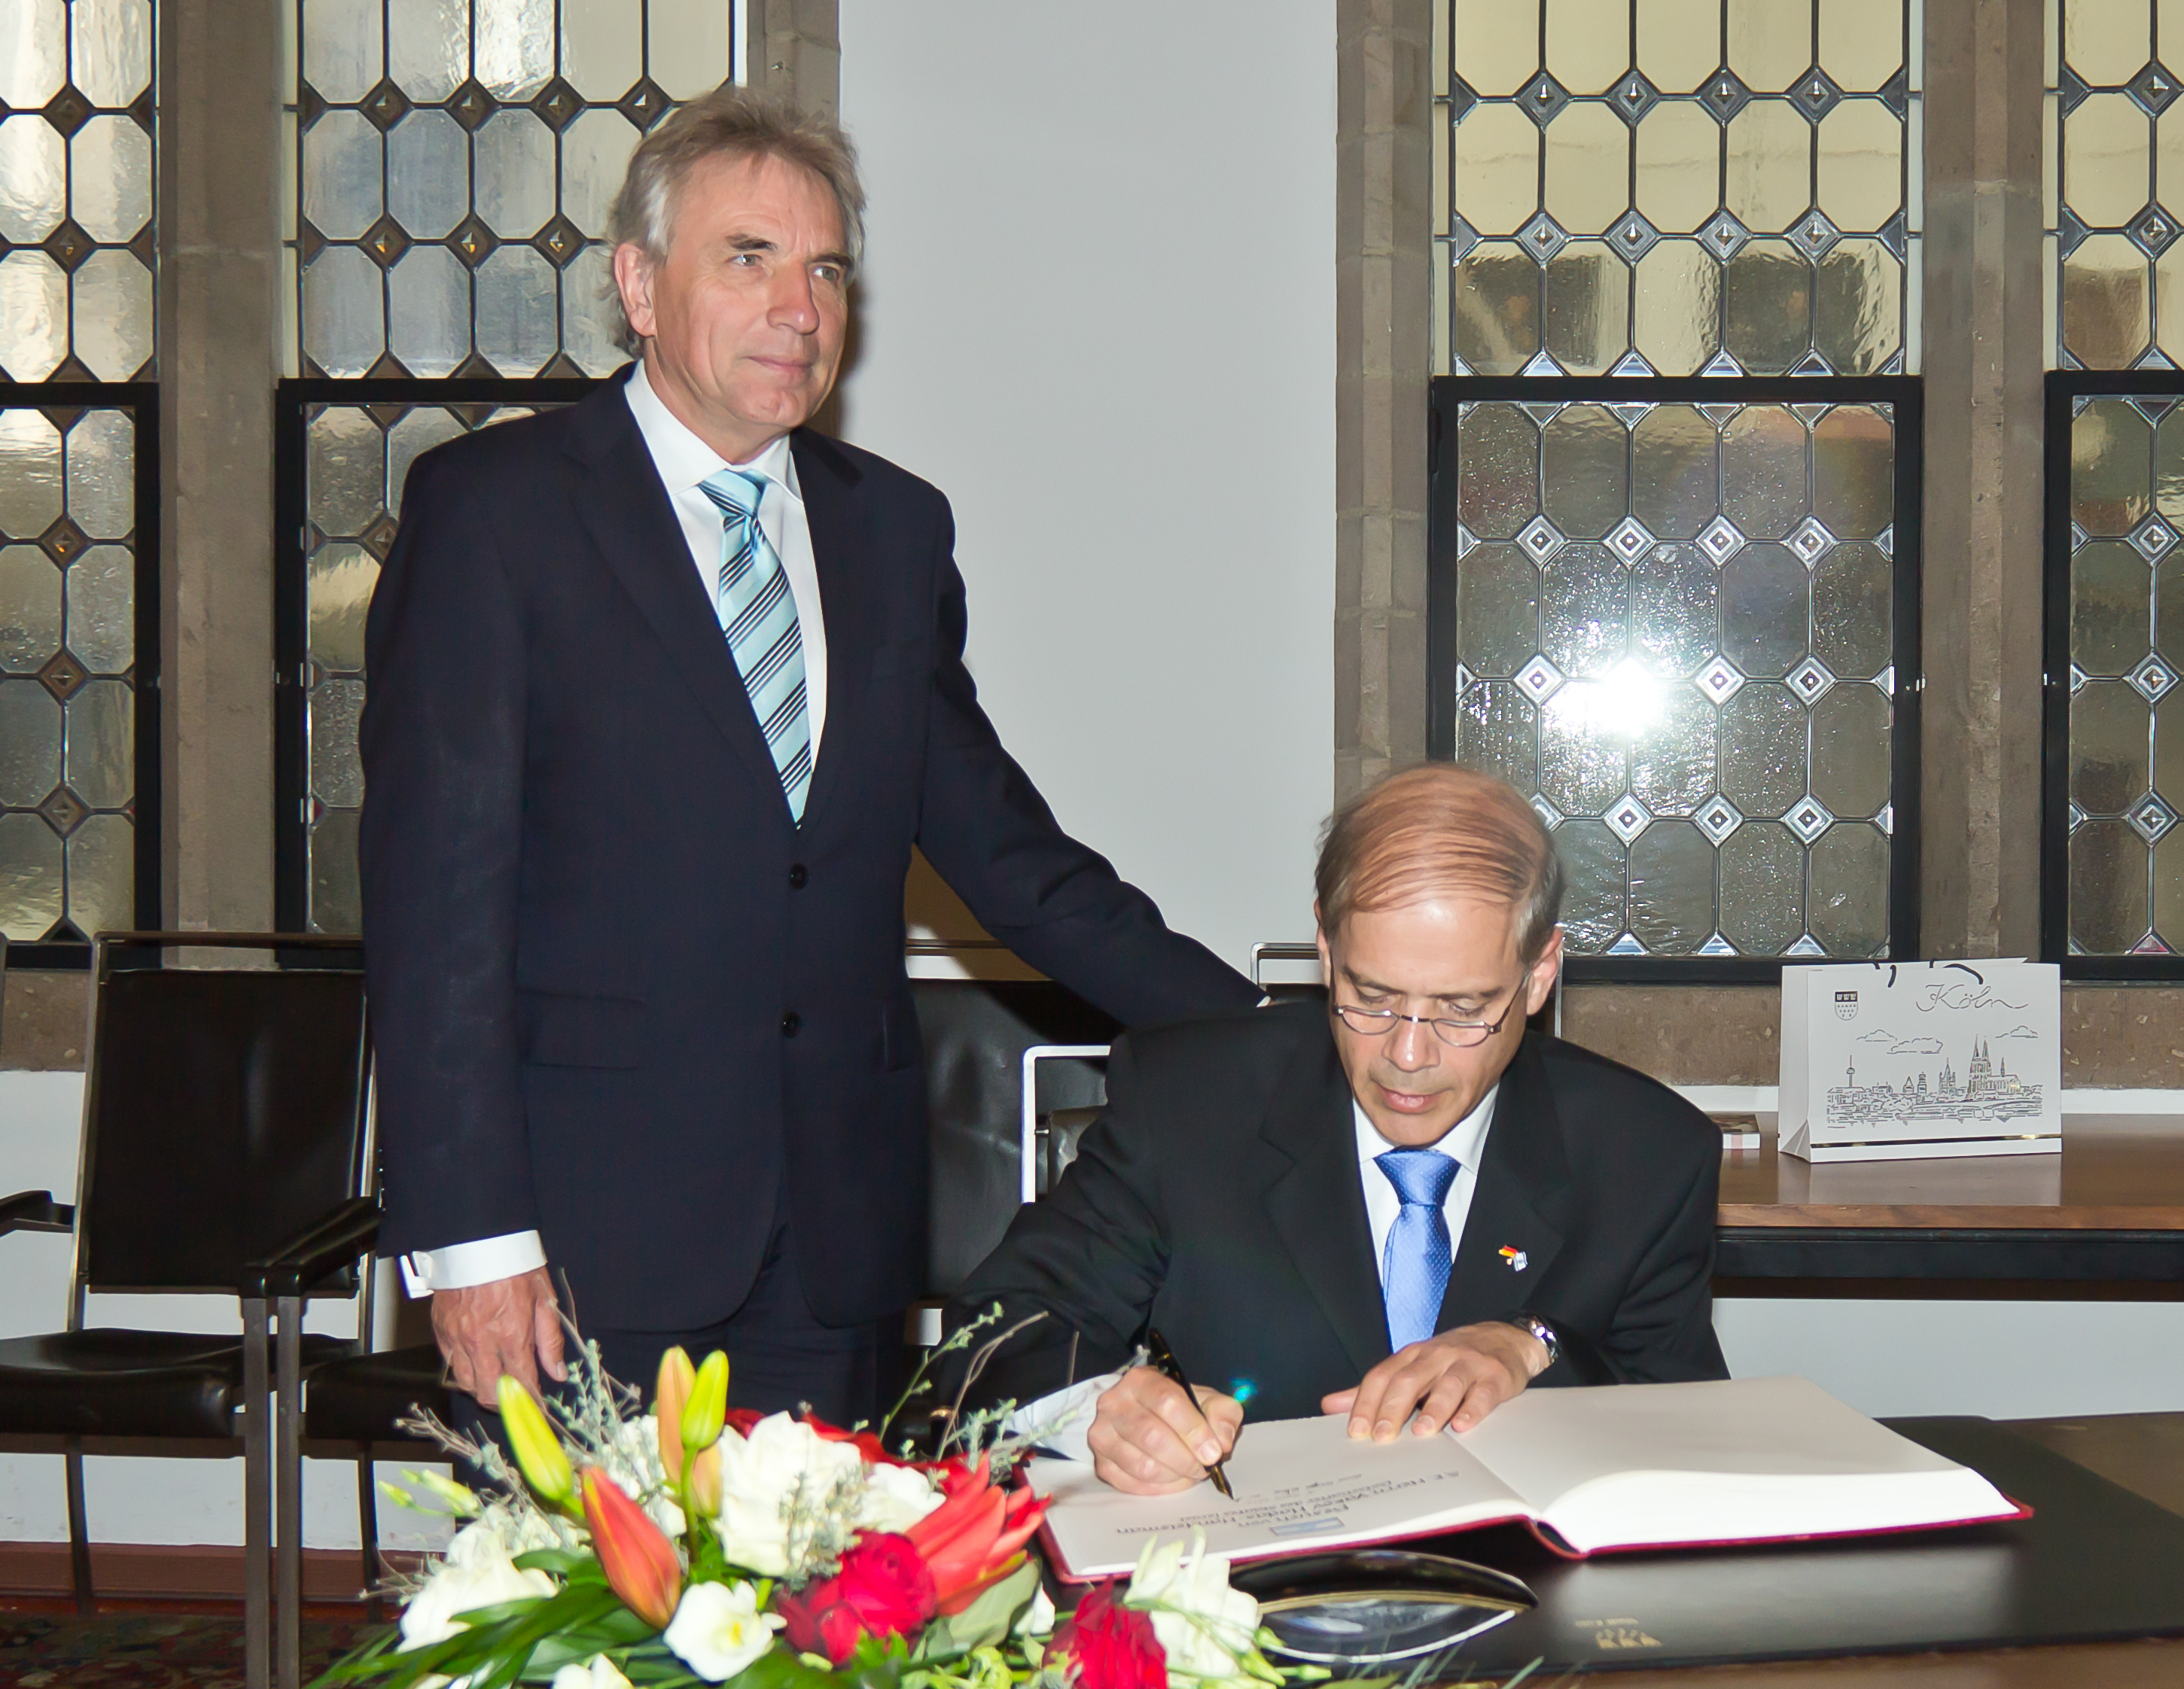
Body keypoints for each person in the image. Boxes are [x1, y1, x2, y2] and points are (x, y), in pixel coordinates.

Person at [361, 88, 1257, 1432]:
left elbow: (1011, 860)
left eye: (827, 269)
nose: (801, 306)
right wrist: (477, 1245)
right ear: (640, 286)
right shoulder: (499, 514)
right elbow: (437, 909)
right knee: (595, 1641)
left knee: (833, 1631)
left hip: (833, 1248)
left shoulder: (890, 531)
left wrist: (1280, 1038)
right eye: (750, 258)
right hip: (582, 1247)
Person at [945, 763, 1729, 1494]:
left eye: (1462, 1008)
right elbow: (994, 1338)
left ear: (1540, 973)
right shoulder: (1186, 1098)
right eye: (1372, 995)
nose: (1407, 1055)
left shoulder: (1645, 1151)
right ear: (1325, 943)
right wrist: (1099, 1410)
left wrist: (1535, 1347)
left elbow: (1690, 1434)